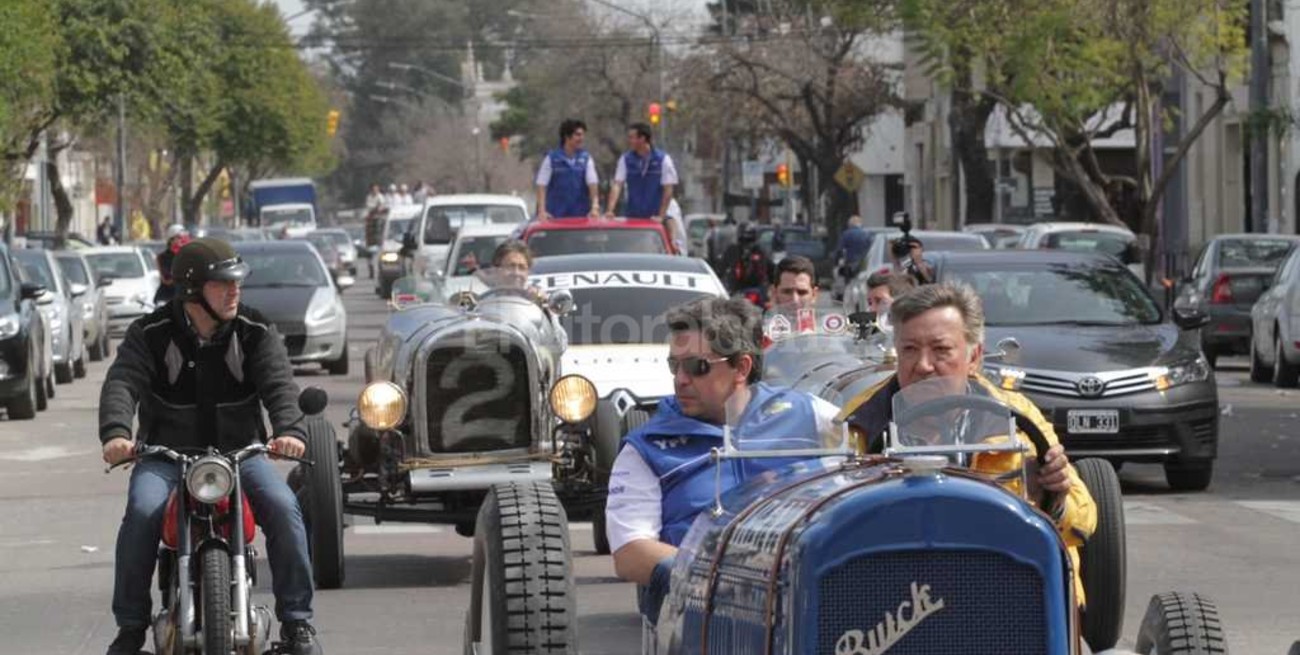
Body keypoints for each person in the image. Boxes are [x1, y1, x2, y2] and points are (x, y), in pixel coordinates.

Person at [99, 238, 322, 655]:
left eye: (237, 283)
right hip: (166, 456)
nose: (234, 291)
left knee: (283, 507)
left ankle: (297, 623)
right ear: (191, 291)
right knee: (143, 512)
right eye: (222, 285)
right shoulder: (149, 332)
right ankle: (130, 628)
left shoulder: (254, 330)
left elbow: (279, 385)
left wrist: (289, 431)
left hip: (241, 455)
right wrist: (116, 434)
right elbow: (122, 383)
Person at [838, 282, 1097, 604]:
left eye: (941, 350)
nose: (923, 365)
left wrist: (1052, 495)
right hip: (894, 596)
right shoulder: (856, 424)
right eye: (909, 350)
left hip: (1011, 588)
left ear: (973, 356)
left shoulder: (1019, 420)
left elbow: (1083, 523)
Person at [605, 297, 840, 624]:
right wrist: (733, 579)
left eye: (697, 366)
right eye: (675, 365)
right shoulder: (645, 447)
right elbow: (630, 554)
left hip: (803, 607)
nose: (681, 379)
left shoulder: (811, 414)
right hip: (698, 616)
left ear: (741, 367)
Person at [605, 122, 678, 222]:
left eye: (632, 137)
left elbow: (668, 189)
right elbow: (617, 185)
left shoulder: (663, 159)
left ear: (642, 138)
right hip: (633, 216)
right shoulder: (626, 159)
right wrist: (610, 210)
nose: (629, 141)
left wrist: (661, 215)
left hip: (655, 217)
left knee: (672, 226)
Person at [535, 119, 600, 220]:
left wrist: (595, 207)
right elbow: (541, 185)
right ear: (567, 136)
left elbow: (592, 184)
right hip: (555, 217)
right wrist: (542, 211)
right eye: (577, 135)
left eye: (582, 135)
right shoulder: (552, 158)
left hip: (580, 217)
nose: (581, 138)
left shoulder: (586, 159)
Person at [720, 223, 770, 296]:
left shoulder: (733, 249)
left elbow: (721, 268)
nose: (747, 245)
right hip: (749, 288)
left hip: (742, 289)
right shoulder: (760, 250)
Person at [153, 225, 191, 306]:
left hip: (185, 298)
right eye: (179, 238)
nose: (182, 240)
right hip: (166, 298)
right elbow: (166, 279)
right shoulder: (162, 257)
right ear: (171, 240)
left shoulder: (187, 255)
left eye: (183, 238)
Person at [835, 215, 870, 284]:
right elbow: (870, 247)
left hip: (850, 262)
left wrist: (838, 261)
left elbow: (840, 249)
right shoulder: (866, 234)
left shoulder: (846, 234)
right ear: (860, 224)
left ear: (850, 224)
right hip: (864, 262)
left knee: (849, 282)